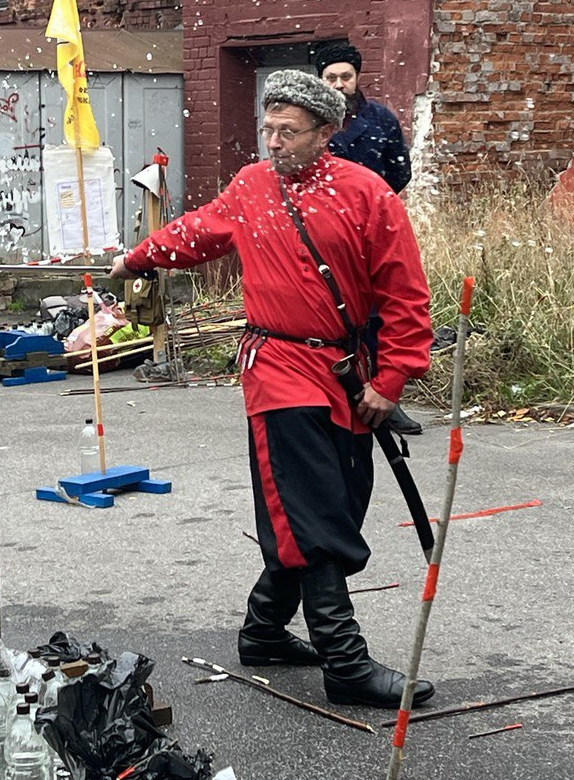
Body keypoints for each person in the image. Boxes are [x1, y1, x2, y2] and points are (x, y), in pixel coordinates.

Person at [110, 71, 435, 709]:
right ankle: (345, 662)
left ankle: (262, 631)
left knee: (333, 502)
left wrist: (390, 381)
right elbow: (196, 231)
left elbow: (405, 296)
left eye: (289, 132)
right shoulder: (251, 187)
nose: (274, 142)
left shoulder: (368, 195)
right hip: (278, 370)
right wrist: (138, 257)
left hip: (347, 373)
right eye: (268, 129)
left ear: (326, 133)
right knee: (311, 506)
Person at [316, 42, 423, 436]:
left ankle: (383, 397)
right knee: (331, 310)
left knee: (378, 314)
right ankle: (330, 395)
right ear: (320, 80)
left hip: (372, 232)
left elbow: (399, 171)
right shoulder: (312, 122)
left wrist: (372, 205)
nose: (339, 84)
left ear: (357, 77)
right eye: (331, 77)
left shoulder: (380, 120)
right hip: (321, 234)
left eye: (345, 76)